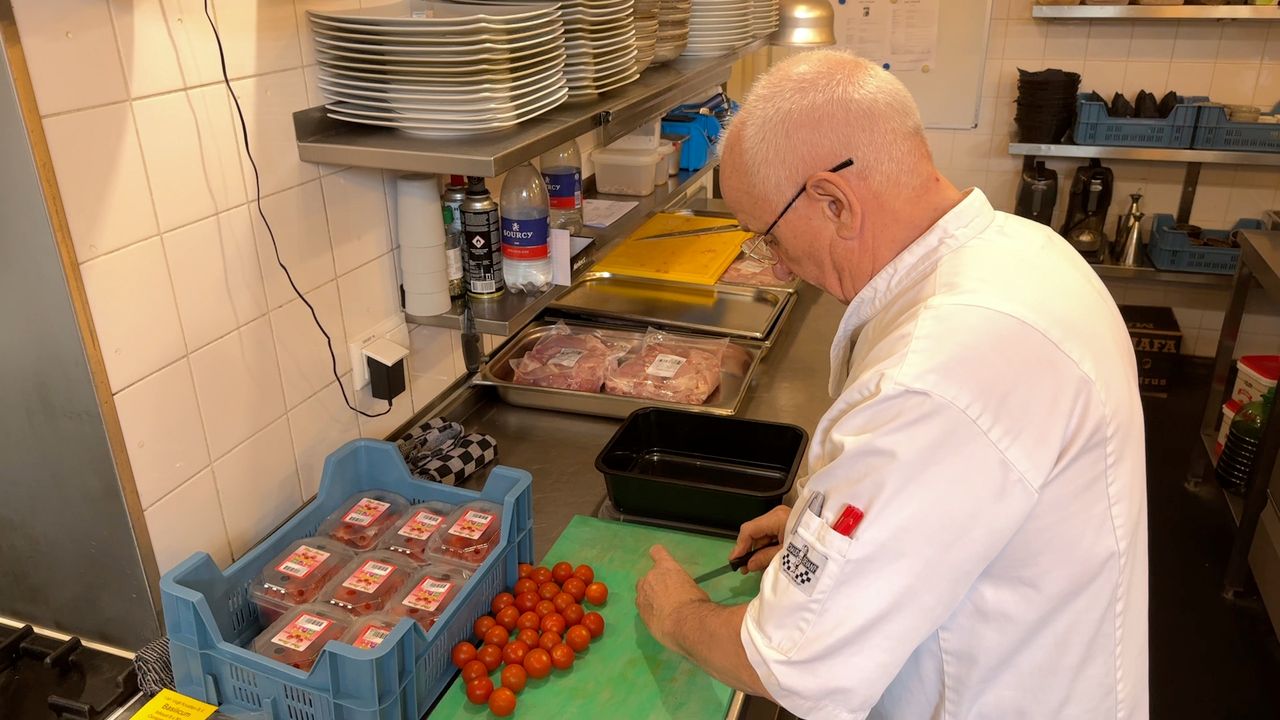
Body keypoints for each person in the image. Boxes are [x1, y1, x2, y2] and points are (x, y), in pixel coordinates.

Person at [634, 50, 1148, 719]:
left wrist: (679, 615)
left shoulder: (936, 373)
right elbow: (958, 492)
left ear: (834, 201)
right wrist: (833, 526)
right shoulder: (1023, 250)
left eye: (768, 238)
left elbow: (792, 665)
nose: (776, 265)